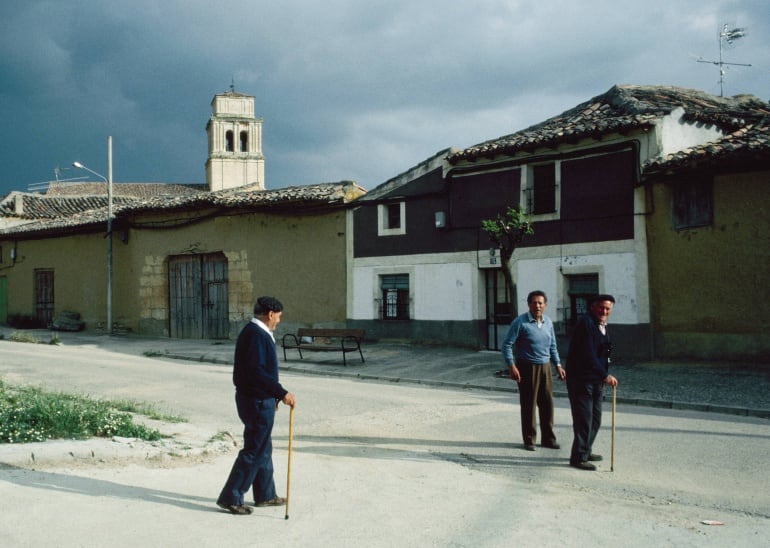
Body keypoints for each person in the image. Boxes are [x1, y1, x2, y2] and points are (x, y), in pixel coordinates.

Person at [216, 296, 296, 514]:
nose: (279, 321)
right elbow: (256, 372)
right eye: (278, 317)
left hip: (258, 398)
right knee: (255, 448)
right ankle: (231, 496)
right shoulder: (255, 334)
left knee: (263, 447)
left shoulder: (257, 332)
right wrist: (281, 392)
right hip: (256, 400)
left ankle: (265, 494)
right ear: (270, 314)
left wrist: (274, 395)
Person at [501, 290, 565, 451]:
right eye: (534, 302)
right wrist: (511, 365)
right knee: (529, 405)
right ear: (529, 304)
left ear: (545, 305)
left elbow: (552, 346)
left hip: (545, 366)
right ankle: (529, 439)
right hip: (526, 367)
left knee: (547, 404)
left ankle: (548, 439)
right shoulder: (520, 322)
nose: (537, 305)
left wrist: (557, 364)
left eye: (540, 303)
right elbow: (507, 345)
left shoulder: (548, 322)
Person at [565, 294, 618, 471]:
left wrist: (604, 373)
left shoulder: (601, 325)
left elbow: (603, 351)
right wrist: (605, 375)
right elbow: (587, 354)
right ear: (593, 307)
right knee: (584, 420)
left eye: (608, 309)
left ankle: (586, 450)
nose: (604, 311)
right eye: (601, 308)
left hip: (595, 380)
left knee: (595, 419)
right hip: (581, 380)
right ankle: (578, 457)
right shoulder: (586, 324)